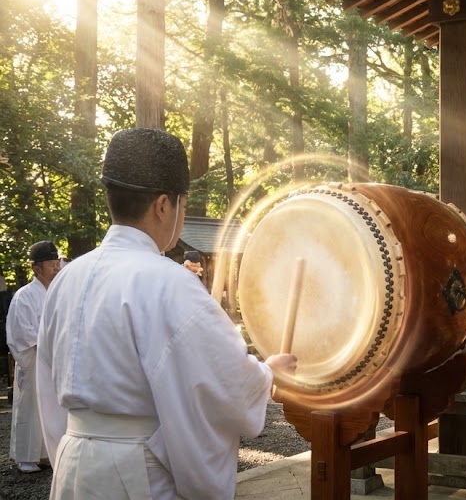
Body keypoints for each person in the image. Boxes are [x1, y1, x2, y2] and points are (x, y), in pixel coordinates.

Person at [35, 128, 298, 499]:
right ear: (163, 205)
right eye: (183, 205)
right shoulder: (168, 282)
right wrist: (268, 372)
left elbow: (47, 387)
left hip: (74, 461)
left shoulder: (67, 278)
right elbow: (220, 380)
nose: (182, 214)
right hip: (138, 472)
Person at [6, 240, 62, 473]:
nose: (57, 268)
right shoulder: (24, 296)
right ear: (36, 268)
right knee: (31, 406)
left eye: (57, 263)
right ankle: (26, 456)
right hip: (36, 357)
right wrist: (49, 338)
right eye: (51, 264)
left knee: (53, 407)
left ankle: (47, 452)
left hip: (54, 357)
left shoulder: (58, 292)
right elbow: (22, 332)